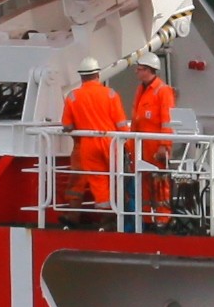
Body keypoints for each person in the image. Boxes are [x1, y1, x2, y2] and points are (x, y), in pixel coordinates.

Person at [59, 58, 124, 213]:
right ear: (98, 75)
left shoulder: (73, 96)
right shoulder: (110, 94)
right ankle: (120, 216)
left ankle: (105, 216)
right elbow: (121, 124)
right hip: (111, 143)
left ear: (81, 77)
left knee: (98, 180)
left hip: (87, 145)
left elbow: (67, 126)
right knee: (118, 178)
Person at [127, 57, 180, 224]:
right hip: (140, 145)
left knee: (159, 182)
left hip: (155, 145)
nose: (137, 71)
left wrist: (164, 145)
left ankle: (163, 217)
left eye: (140, 69)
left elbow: (167, 120)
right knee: (143, 182)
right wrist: (130, 144)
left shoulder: (163, 91)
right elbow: (136, 119)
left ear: (149, 70)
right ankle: (146, 219)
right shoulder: (141, 89)